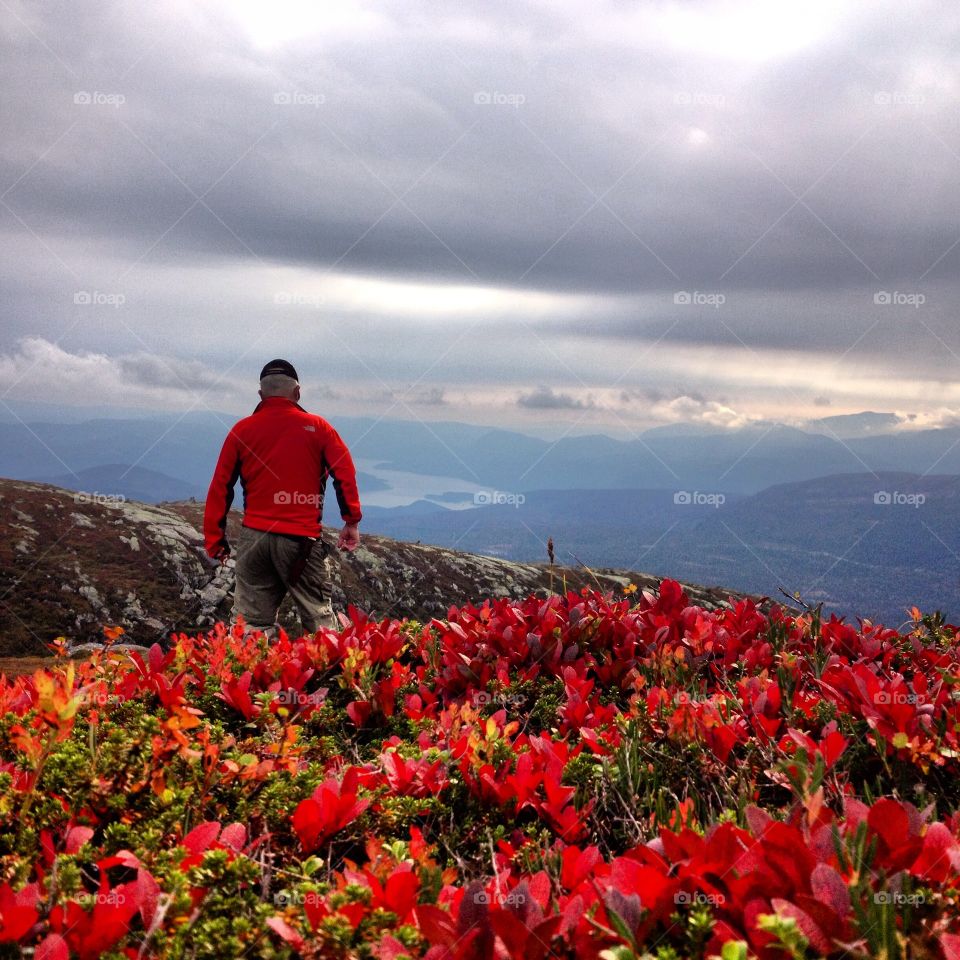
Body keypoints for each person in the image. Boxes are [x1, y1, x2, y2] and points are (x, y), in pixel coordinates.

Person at [203, 359, 362, 637]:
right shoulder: (319, 428)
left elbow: (220, 487)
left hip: (254, 539)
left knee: (251, 624)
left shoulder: (241, 431)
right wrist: (351, 521)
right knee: (318, 621)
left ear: (261, 395)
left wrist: (215, 542)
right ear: (297, 392)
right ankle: (330, 677)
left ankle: (250, 678)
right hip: (300, 542)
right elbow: (345, 473)